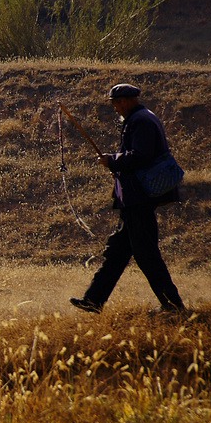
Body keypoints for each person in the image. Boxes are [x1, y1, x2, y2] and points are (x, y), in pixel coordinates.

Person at [70, 83, 186, 314]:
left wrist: (112, 160)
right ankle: (93, 301)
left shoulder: (140, 121)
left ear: (125, 101)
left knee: (146, 255)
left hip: (139, 199)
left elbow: (140, 156)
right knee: (117, 253)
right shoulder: (142, 118)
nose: (115, 107)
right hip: (134, 198)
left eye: (116, 103)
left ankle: (173, 306)